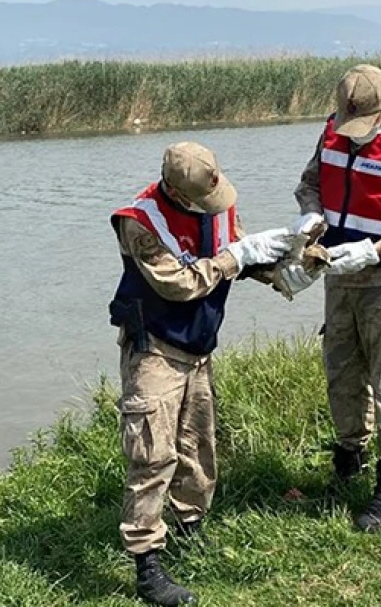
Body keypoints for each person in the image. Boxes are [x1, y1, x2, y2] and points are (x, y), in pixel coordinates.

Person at [109, 141, 292, 605]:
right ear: (175, 189)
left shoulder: (216, 203)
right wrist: (238, 258)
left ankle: (191, 528)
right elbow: (179, 284)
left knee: (197, 443)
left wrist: (290, 265)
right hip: (155, 349)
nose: (216, 207)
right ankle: (147, 566)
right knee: (151, 454)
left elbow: (240, 253)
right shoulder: (140, 222)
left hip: (198, 348)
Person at [278, 64, 381, 532]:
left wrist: (376, 250)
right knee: (341, 372)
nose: (351, 134)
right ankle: (347, 466)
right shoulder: (332, 130)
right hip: (337, 276)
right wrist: (311, 218)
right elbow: (309, 183)